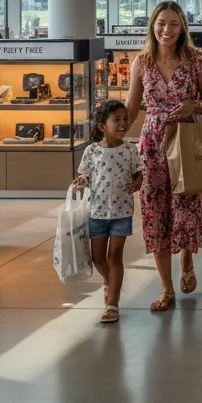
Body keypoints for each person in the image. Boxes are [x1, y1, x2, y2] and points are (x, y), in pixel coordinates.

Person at [126, 0, 202, 311]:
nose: (167, 30)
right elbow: (132, 109)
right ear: (152, 25)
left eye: (174, 24)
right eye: (162, 23)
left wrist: (195, 105)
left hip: (187, 141)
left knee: (186, 212)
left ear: (182, 28)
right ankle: (166, 289)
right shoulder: (142, 62)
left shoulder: (195, 61)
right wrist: (108, 142)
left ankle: (187, 258)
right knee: (155, 215)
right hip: (152, 145)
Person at [72, 100, 143, 324]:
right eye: (117, 120)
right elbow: (85, 174)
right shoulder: (92, 151)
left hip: (122, 211)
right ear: (102, 126)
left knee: (115, 257)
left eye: (125, 119)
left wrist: (139, 181)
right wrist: (82, 180)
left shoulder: (130, 149)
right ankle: (112, 282)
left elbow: (138, 174)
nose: (123, 124)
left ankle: (112, 304)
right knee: (98, 258)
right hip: (97, 213)